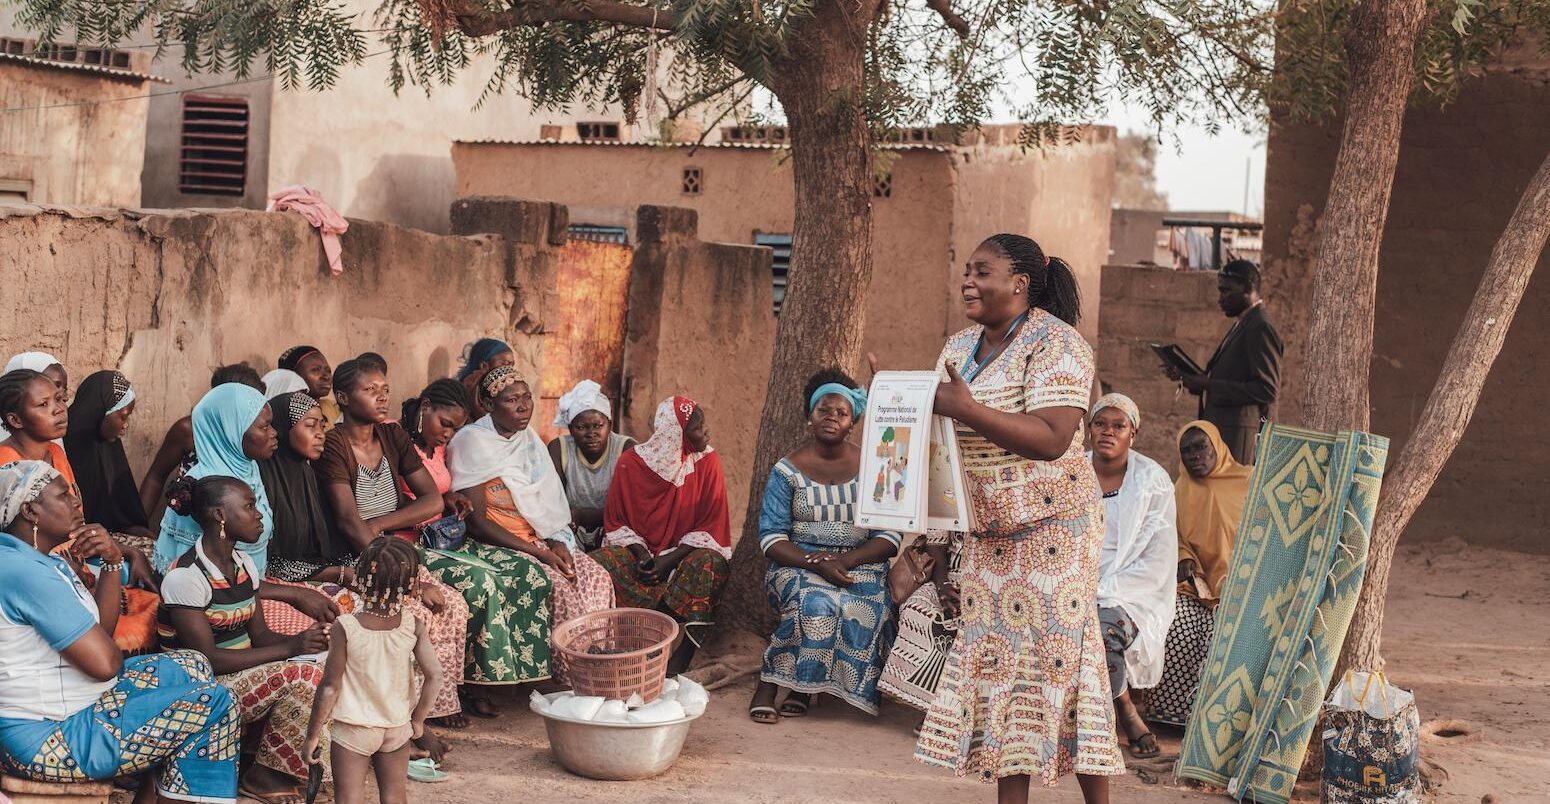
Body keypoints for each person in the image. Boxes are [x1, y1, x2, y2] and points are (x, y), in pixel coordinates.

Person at [911, 234, 1123, 802]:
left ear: (1020, 284)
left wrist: (969, 409)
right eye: (966, 271)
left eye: (983, 271)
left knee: (1060, 667)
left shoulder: (1059, 344)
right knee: (999, 669)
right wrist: (935, 537)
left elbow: (1055, 438)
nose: (968, 281)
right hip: (989, 533)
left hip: (1054, 531)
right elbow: (940, 448)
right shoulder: (957, 348)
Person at [0, 460, 240, 804]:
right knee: (215, 703)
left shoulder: (39, 561)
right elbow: (106, 663)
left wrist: (113, 561)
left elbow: (100, 632)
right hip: (46, 738)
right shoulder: (27, 573)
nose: (77, 503)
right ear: (30, 511)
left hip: (68, 709)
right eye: (63, 495)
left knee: (193, 664)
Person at [315, 359, 470, 742]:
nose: (382, 396)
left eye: (385, 389)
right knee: (411, 613)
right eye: (371, 390)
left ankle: (427, 713)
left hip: (393, 552)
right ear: (343, 397)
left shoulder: (391, 435)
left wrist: (382, 524)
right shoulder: (334, 445)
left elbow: (433, 501)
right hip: (358, 558)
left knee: (453, 606)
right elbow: (350, 523)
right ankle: (396, 720)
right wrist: (413, 582)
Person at [157, 475, 331, 804]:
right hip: (199, 688)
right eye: (250, 506)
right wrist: (293, 650)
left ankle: (277, 762)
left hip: (238, 677)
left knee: (331, 661)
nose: (259, 513)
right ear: (220, 515)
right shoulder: (186, 576)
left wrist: (314, 643)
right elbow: (206, 659)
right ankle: (264, 776)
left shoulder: (243, 564)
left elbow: (260, 636)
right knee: (304, 674)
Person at [748, 370, 899, 723]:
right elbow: (771, 538)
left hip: (861, 562)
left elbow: (889, 538)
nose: (831, 417)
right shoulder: (786, 471)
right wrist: (816, 563)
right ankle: (767, 684)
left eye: (841, 413)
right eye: (824, 410)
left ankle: (805, 686)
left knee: (863, 607)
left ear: (853, 423)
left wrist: (843, 561)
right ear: (809, 416)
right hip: (799, 562)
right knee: (814, 603)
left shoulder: (876, 467)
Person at [448, 367, 612, 629]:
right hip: (498, 544)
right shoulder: (472, 442)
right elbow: (476, 523)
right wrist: (538, 554)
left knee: (596, 577)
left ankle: (595, 658)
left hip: (538, 540)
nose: (524, 407)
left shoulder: (528, 440)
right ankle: (568, 664)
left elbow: (544, 505)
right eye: (512, 400)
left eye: (527, 397)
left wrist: (556, 541)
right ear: (489, 404)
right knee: (558, 587)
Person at [595, 396, 731, 672]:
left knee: (710, 564)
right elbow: (617, 521)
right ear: (675, 433)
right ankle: (609, 644)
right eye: (698, 427)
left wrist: (667, 561)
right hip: (639, 556)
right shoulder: (631, 463)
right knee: (598, 563)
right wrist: (644, 556)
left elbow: (711, 525)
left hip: (682, 558)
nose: (707, 432)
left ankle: (681, 656)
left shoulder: (707, 462)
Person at [303, 538, 441, 804]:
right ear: (411, 585)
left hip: (354, 730)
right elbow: (435, 677)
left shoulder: (346, 627)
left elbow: (330, 686)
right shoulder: (413, 625)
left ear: (362, 578)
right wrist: (418, 721)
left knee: (350, 799)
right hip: (397, 727)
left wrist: (312, 735)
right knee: (394, 798)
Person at [1087, 394, 1177, 759]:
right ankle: (1123, 708)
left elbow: (1157, 559)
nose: (1108, 431)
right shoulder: (1071, 473)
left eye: (1118, 425)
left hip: (1133, 590)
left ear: (1132, 435)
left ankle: (1118, 716)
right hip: (1070, 577)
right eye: (1100, 423)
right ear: (1088, 429)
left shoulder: (1152, 482)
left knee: (1102, 626)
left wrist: (1102, 589)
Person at [1149, 421, 1250, 727]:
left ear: (1216, 446)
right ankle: (1173, 715)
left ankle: (1215, 722)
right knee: (1175, 624)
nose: (1194, 456)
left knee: (1222, 633)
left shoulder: (1250, 481)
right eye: (1186, 451)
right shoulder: (1179, 490)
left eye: (1200, 447)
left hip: (1241, 585)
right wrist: (1184, 557)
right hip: (1197, 586)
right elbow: (1171, 534)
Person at [63, 370, 162, 654]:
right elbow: (74, 529)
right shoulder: (69, 450)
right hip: (80, 548)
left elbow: (120, 512)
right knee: (140, 570)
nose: (125, 425)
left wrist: (141, 537)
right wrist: (130, 551)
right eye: (122, 416)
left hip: (103, 539)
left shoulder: (107, 447)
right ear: (100, 412)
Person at [1163, 260, 1283, 465]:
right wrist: (1192, 380)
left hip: (1239, 436)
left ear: (1248, 288)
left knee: (1234, 495)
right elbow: (1232, 376)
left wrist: (1207, 384)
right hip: (1224, 430)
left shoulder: (1259, 326)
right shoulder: (1244, 322)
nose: (1220, 298)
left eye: (1226, 291)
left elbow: (1267, 389)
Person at [257, 391, 355, 635]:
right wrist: (339, 573)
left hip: (309, 575)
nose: (320, 433)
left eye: (322, 425)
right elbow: (275, 563)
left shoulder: (307, 473)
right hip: (272, 585)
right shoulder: (262, 480)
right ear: (282, 427)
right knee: (340, 628)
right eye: (310, 425)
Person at [140, 362, 266, 530]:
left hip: (240, 530)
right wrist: (138, 524)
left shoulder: (256, 437)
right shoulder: (189, 430)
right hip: (192, 528)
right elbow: (156, 477)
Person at [546, 379, 634, 551]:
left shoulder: (625, 449)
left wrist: (584, 516)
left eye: (598, 426)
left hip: (616, 528)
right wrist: (570, 520)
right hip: (571, 526)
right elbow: (553, 501)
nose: (591, 433)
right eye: (581, 427)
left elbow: (631, 508)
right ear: (571, 429)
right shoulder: (559, 449)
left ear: (610, 425)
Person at [0, 352, 68, 443]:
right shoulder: (8, 455)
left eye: (65, 388)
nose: (65, 397)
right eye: (44, 404)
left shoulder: (53, 450)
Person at [278, 345, 340, 428]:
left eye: (328, 371)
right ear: (293, 375)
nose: (326, 377)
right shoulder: (286, 416)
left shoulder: (331, 408)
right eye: (315, 370)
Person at [456, 338, 514, 417]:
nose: (510, 370)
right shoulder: (471, 387)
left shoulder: (500, 388)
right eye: (506, 364)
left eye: (512, 365)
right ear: (484, 366)